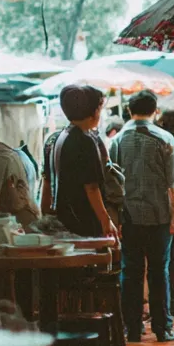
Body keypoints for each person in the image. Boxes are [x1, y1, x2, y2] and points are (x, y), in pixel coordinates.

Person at [109, 90, 174, 343]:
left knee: (130, 271)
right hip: (160, 214)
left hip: (128, 216)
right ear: (155, 111)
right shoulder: (165, 139)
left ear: (130, 110)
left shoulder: (116, 141)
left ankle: (132, 327)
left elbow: (112, 184)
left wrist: (115, 218)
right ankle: (162, 328)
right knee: (159, 271)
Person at [51, 84, 119, 240]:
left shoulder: (62, 135)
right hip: (83, 220)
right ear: (94, 112)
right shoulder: (85, 141)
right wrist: (106, 220)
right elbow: (92, 188)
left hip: (68, 216)